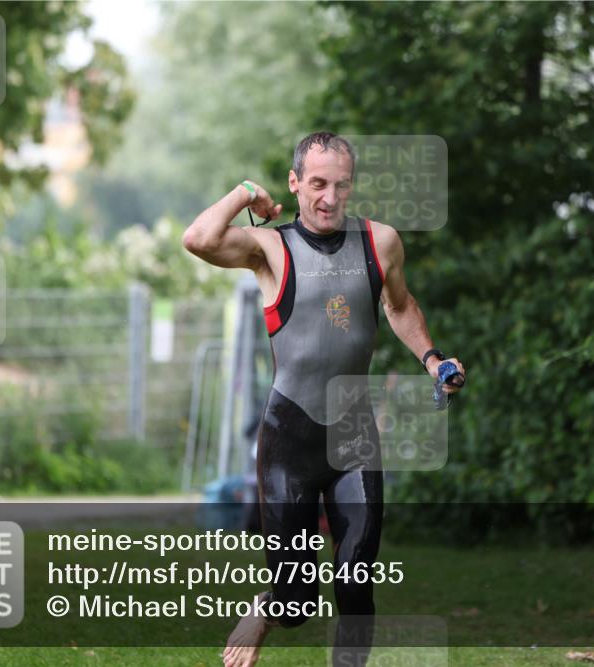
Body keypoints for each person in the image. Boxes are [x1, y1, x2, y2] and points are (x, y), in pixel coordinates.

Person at [182, 132, 465, 667]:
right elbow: (197, 239)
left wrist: (433, 359)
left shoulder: (379, 243)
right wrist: (245, 194)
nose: (329, 198)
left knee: (357, 576)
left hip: (354, 435)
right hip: (290, 438)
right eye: (316, 184)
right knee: (295, 603)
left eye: (340, 185)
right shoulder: (270, 247)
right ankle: (269, 606)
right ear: (295, 183)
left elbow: (399, 307)